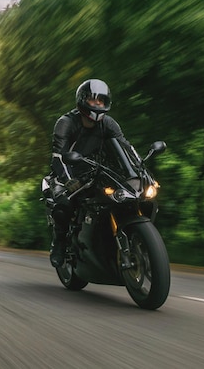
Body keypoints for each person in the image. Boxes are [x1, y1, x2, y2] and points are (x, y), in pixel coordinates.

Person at [48, 78, 131, 267]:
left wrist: (137, 172)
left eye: (101, 100)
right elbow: (58, 157)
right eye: (94, 100)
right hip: (67, 173)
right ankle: (59, 243)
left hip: (97, 172)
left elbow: (125, 148)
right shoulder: (66, 122)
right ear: (83, 100)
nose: (98, 104)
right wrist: (68, 180)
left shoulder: (108, 124)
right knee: (64, 204)